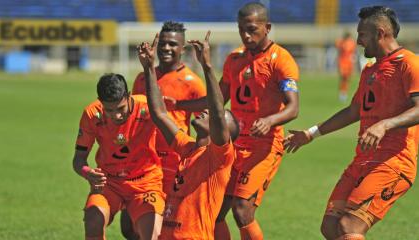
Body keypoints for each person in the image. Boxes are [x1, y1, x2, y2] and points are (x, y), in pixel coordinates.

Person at [284, 6, 419, 240]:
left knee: (350, 226)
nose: (358, 41)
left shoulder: (409, 63)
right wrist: (311, 134)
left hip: (394, 161)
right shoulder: (370, 70)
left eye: (362, 35)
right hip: (363, 159)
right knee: (330, 227)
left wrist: (384, 124)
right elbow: (354, 111)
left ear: (380, 33)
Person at [174, 2, 300, 239]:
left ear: (267, 27)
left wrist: (270, 120)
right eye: (242, 29)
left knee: (242, 211)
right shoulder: (234, 59)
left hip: (264, 146)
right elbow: (217, 100)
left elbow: (293, 108)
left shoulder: (281, 59)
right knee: (217, 210)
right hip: (233, 145)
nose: (246, 35)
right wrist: (178, 104)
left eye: (252, 29)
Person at [138, 31, 239, 239]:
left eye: (214, 115)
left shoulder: (219, 158)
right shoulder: (189, 148)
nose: (207, 111)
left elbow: (218, 111)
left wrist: (207, 67)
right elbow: (159, 115)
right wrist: (149, 68)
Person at [121, 21, 206, 239]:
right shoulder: (143, 78)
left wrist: (196, 162)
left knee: (162, 225)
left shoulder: (192, 83)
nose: (166, 48)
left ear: (182, 48)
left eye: (172, 44)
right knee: (129, 227)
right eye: (163, 44)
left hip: (173, 162)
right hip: (142, 160)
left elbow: (204, 125)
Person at [72, 73, 165, 240]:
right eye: (109, 110)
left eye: (120, 108)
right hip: (110, 182)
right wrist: (88, 173)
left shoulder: (147, 107)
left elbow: (173, 135)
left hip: (145, 182)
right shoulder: (92, 114)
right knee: (93, 220)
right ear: (100, 101)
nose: (116, 116)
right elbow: (79, 158)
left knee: (152, 234)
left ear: (128, 96)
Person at [335, 31, 357, 102]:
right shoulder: (341, 42)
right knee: (343, 78)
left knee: (347, 79)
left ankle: (344, 93)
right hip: (343, 62)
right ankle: (342, 93)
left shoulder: (351, 43)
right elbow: (339, 50)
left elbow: (353, 53)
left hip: (349, 63)